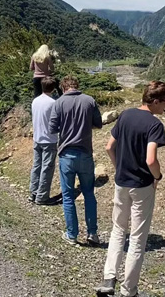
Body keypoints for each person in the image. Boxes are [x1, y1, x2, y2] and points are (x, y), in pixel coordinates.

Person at [95, 81, 165, 297]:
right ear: (155, 101)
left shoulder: (126, 115)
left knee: (118, 230)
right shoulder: (154, 125)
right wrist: (158, 176)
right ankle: (129, 290)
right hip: (141, 185)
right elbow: (151, 159)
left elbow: (109, 146)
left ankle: (108, 278)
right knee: (137, 237)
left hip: (121, 183)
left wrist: (119, 167)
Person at [49, 75, 103, 245]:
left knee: (67, 196)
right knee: (89, 194)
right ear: (76, 86)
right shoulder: (89, 100)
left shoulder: (59, 103)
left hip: (66, 154)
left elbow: (52, 128)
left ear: (64, 88)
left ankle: (72, 235)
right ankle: (92, 233)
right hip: (86, 153)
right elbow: (99, 124)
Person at [28, 76, 61, 205]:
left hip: (37, 137)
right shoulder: (53, 103)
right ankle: (42, 196)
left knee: (36, 166)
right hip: (49, 139)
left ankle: (33, 192)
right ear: (53, 88)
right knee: (47, 168)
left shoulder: (35, 101)